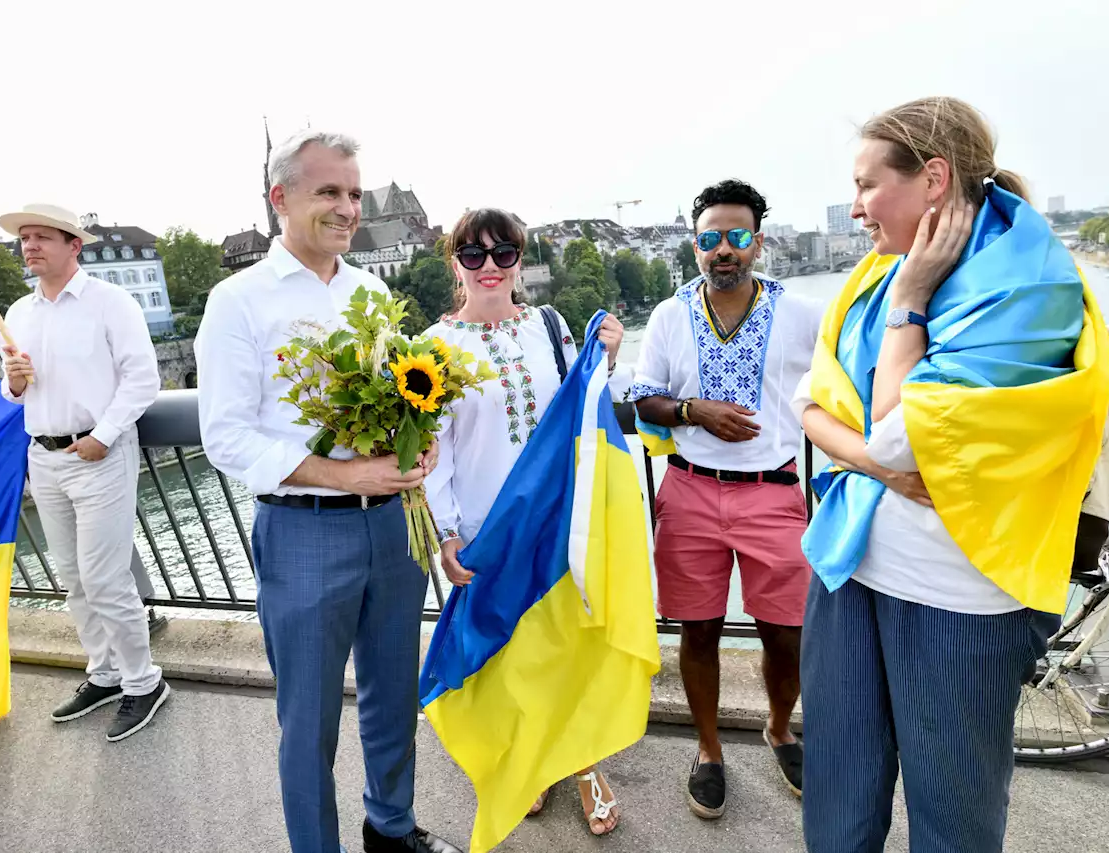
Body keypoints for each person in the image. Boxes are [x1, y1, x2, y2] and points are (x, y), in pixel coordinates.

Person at [794, 96, 1109, 852]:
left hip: (958, 594)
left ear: (933, 178)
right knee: (836, 803)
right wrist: (879, 454)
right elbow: (809, 406)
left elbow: (901, 441)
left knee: (955, 822)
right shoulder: (879, 270)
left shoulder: (1026, 283)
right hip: (848, 568)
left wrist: (907, 306)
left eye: (869, 185)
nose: (857, 209)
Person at [195, 130, 462, 853]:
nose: (348, 208)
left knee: (392, 695)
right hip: (304, 530)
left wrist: (417, 437)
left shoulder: (372, 292)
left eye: (352, 192)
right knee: (308, 719)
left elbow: (402, 401)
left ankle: (392, 826)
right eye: (329, 192)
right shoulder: (237, 302)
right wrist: (346, 474)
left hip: (392, 527)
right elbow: (224, 437)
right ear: (280, 198)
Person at [424, 208, 633, 837]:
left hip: (555, 518)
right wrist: (447, 531)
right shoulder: (433, 349)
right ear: (454, 262)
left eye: (505, 253)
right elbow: (435, 452)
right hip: (488, 530)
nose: (490, 266)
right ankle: (531, 762)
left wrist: (610, 359)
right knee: (507, 653)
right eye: (473, 253)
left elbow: (581, 406)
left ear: (521, 259)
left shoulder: (549, 325)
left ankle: (585, 764)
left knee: (567, 644)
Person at [632, 180, 822, 819]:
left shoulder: (802, 315)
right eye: (710, 239)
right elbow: (645, 400)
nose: (723, 250)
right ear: (695, 247)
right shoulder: (667, 314)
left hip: (773, 493)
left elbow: (842, 388)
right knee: (700, 629)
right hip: (688, 491)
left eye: (737, 237)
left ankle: (778, 727)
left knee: (787, 636)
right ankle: (709, 750)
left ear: (758, 242)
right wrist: (694, 411)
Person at [0, 203, 168, 743]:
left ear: (74, 244)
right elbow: (13, 393)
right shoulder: (17, 314)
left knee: (104, 577)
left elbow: (142, 379)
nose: (30, 246)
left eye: (42, 237)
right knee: (71, 575)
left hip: (97, 452)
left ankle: (144, 681)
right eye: (24, 239)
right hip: (43, 456)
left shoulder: (109, 302)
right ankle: (106, 673)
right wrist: (16, 381)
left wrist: (104, 435)